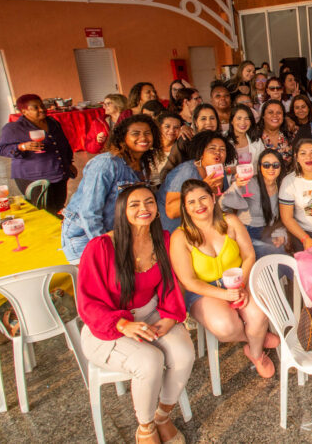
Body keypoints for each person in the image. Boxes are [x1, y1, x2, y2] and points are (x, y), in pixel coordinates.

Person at [77, 184, 193, 444]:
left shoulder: (163, 240)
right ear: (122, 211)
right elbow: (88, 303)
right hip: (107, 327)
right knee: (149, 361)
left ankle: (163, 416)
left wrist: (171, 316)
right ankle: (146, 427)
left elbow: (172, 282)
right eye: (135, 204)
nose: (144, 209)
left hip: (151, 315)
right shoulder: (101, 247)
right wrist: (122, 325)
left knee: (184, 354)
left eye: (150, 202)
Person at [169, 179, 276, 378]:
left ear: (212, 198)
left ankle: (256, 353)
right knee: (226, 328)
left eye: (203, 198)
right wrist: (225, 294)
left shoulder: (231, 222)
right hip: (205, 290)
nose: (199, 205)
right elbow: (189, 281)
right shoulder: (180, 237)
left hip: (240, 279)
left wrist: (241, 284)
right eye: (191, 202)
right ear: (185, 207)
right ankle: (254, 338)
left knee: (259, 314)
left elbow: (249, 255)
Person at [61, 115, 162, 263]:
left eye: (148, 133)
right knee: (98, 281)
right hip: (85, 236)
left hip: (116, 234)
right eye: (135, 133)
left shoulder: (143, 165)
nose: (143, 137)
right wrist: (105, 245)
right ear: (122, 138)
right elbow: (89, 213)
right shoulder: (106, 164)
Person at [0, 94, 75, 214]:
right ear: (24, 111)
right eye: (36, 107)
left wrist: (69, 163)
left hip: (58, 172)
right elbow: (1, 149)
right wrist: (22, 147)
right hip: (34, 176)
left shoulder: (52, 122)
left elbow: (64, 144)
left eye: (42, 105)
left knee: (59, 206)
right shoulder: (14, 128)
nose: (42, 109)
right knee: (44, 210)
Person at [158, 131, 235, 232]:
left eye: (222, 149)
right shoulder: (186, 171)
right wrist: (203, 188)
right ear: (201, 152)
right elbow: (171, 211)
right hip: (175, 230)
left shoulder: (219, 171)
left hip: (200, 227)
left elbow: (220, 202)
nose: (218, 152)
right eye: (212, 148)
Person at [221, 149, 288, 258]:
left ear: (281, 167)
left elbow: (282, 216)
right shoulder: (249, 183)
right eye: (266, 165)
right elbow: (223, 203)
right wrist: (236, 186)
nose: (271, 168)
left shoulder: (282, 186)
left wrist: (280, 232)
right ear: (259, 167)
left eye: (275, 165)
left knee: (279, 248)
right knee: (276, 254)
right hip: (246, 230)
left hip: (267, 230)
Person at [151, 112, 182, 185]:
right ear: (159, 127)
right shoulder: (150, 147)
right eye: (167, 126)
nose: (171, 131)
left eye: (176, 127)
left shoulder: (180, 150)